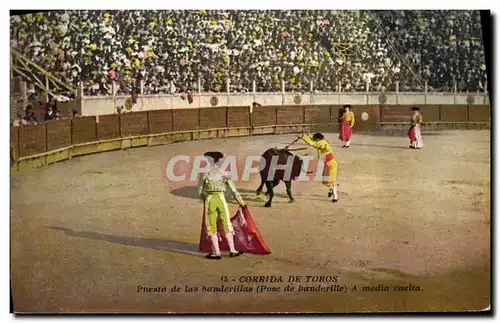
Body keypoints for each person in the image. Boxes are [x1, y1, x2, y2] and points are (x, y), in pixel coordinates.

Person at [197, 151, 246, 260]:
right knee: (226, 223)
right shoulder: (224, 172)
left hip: (210, 199)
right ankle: (232, 250)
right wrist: (241, 201)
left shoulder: (204, 173)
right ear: (219, 160)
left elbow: (199, 191)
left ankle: (216, 252)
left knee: (211, 225)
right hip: (221, 199)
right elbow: (233, 189)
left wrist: (204, 199)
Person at [298, 133, 339, 202]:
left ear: (318, 139)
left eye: (315, 139)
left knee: (332, 180)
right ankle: (331, 189)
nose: (315, 140)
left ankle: (335, 197)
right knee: (325, 180)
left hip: (331, 164)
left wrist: (303, 137)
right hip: (325, 163)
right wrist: (306, 135)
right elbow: (312, 139)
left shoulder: (322, 142)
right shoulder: (320, 141)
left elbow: (312, 143)